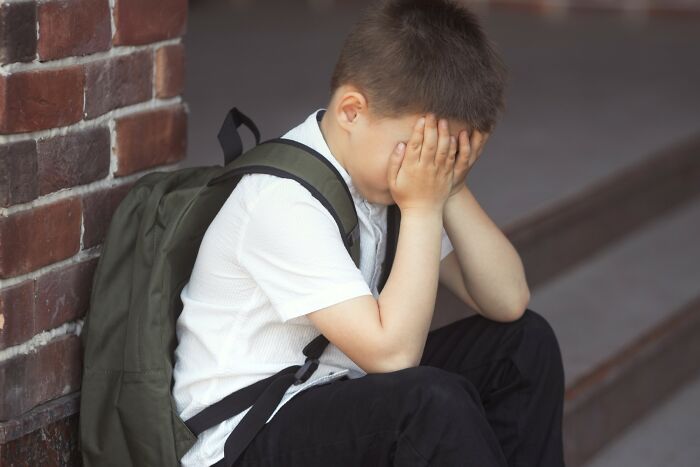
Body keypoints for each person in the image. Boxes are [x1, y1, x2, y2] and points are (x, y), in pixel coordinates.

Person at [172, 0, 566, 466]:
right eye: (418, 147)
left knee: (523, 348)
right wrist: (422, 206)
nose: (426, 163)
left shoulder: (387, 181)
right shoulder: (282, 200)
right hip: (247, 435)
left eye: (442, 153)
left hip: (335, 391)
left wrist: (451, 186)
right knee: (428, 406)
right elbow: (392, 356)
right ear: (352, 111)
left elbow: (507, 299)